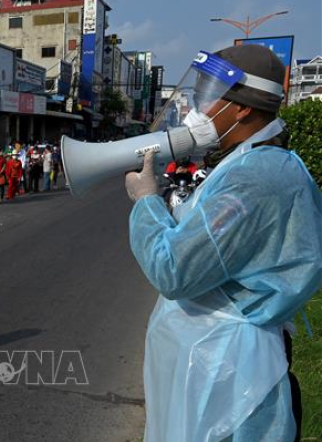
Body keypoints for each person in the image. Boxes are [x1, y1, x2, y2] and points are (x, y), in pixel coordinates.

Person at [124, 45, 322, 442]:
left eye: (210, 95)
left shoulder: (255, 177)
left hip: (229, 378)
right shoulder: (252, 162)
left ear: (243, 108)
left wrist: (146, 201)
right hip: (220, 363)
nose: (201, 108)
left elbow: (173, 270)